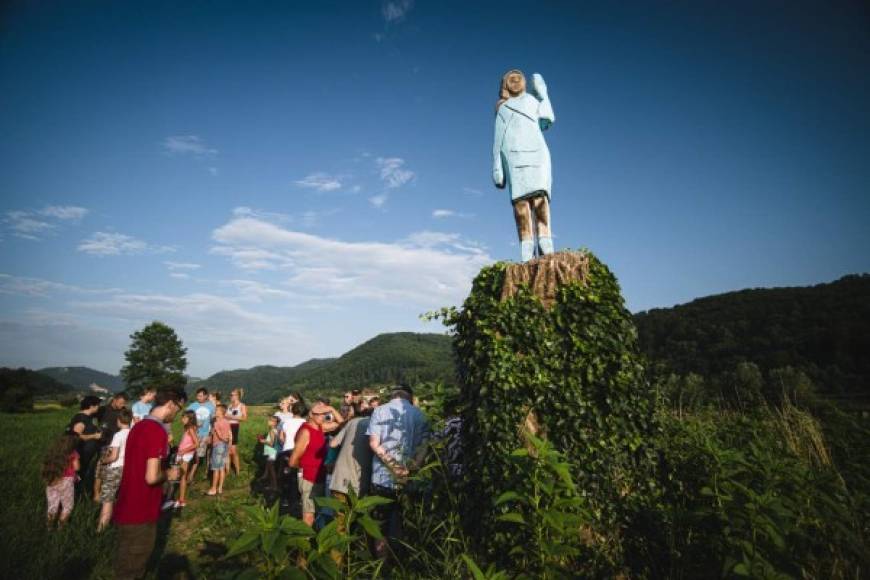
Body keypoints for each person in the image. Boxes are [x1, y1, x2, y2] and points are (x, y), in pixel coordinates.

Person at [113, 388, 185, 580]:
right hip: (141, 510)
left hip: (126, 504)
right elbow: (152, 477)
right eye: (177, 410)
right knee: (134, 568)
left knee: (124, 562)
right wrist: (169, 473)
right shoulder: (157, 431)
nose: (176, 415)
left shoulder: (138, 427)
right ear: (171, 404)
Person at [492, 69, 556, 262]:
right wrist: (496, 164)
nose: (515, 80)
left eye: (518, 77)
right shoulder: (503, 109)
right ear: (505, 84)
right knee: (520, 205)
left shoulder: (532, 101)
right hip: (514, 158)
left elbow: (547, 120)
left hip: (537, 154)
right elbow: (498, 139)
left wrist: (543, 93)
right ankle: (526, 244)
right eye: (510, 78)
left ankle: (545, 239)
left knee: (540, 199)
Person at [367, 385, 430, 557]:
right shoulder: (419, 414)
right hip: (409, 478)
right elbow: (424, 446)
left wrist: (394, 466)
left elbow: (374, 443)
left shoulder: (379, 411)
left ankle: (382, 564)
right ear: (409, 397)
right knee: (404, 520)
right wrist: (410, 468)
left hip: (382, 477)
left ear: (392, 396)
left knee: (381, 523)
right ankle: (403, 562)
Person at [288, 401, 343, 527]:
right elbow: (293, 460)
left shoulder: (320, 427)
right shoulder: (305, 432)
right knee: (308, 514)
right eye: (320, 414)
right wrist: (304, 470)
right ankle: (304, 543)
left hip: (319, 476)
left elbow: (342, 423)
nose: (323, 416)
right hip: (309, 477)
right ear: (311, 415)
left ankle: (311, 538)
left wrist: (331, 408)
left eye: (325, 414)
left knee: (316, 510)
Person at [97, 408, 132, 531]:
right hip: (127, 468)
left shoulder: (118, 435)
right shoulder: (133, 432)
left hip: (115, 468)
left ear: (119, 420)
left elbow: (114, 456)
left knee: (108, 500)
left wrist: (103, 461)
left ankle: (101, 530)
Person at [94, 392, 129, 501]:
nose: (122, 405)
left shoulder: (122, 412)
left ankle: (112, 495)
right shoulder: (103, 410)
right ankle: (96, 494)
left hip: (117, 445)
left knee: (114, 471)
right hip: (104, 444)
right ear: (114, 399)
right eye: (120, 402)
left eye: (124, 403)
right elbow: (91, 417)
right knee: (100, 471)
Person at [42, 433, 79, 528]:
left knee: (52, 506)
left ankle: (49, 527)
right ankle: (61, 528)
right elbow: (77, 467)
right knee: (67, 506)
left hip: (52, 480)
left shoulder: (53, 452)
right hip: (66, 482)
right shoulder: (73, 453)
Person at [67, 395, 102, 495]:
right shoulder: (81, 418)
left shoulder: (87, 417)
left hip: (85, 453)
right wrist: (95, 436)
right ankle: (71, 497)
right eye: (97, 405)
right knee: (76, 475)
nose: (98, 407)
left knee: (80, 474)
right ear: (91, 406)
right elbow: (76, 436)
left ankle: (75, 495)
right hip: (80, 453)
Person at [278, 400, 307, 515]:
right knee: (299, 476)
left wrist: (287, 443)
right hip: (301, 452)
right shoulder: (305, 422)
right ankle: (298, 501)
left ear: (292, 410)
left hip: (287, 451)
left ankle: (285, 500)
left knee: (286, 476)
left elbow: (281, 437)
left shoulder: (286, 422)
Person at [185, 387, 215, 483]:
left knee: (198, 456)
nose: (198, 397)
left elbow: (213, 422)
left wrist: (210, 435)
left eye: (200, 396)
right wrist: (193, 423)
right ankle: (184, 474)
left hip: (204, 435)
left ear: (206, 396)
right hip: (193, 434)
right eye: (197, 396)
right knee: (189, 455)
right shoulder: (193, 405)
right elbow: (185, 417)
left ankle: (190, 476)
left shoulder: (211, 406)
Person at [174, 410, 198, 508]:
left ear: (190, 419)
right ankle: (179, 498)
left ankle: (181, 500)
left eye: (184, 417)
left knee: (182, 477)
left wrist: (184, 451)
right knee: (179, 476)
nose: (182, 419)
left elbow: (196, 443)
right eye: (182, 417)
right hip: (182, 454)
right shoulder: (187, 428)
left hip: (185, 455)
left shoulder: (191, 429)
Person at [208, 404, 232, 496]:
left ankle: (213, 488)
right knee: (222, 468)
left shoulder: (216, 423)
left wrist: (216, 432)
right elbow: (229, 434)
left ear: (221, 412)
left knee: (216, 469)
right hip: (225, 446)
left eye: (217, 410)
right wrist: (228, 443)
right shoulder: (227, 422)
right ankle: (220, 488)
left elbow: (220, 435)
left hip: (218, 445)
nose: (215, 411)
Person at [227, 388, 248, 476]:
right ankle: (227, 471)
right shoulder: (229, 405)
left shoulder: (242, 406)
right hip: (227, 426)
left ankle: (237, 471)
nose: (231, 396)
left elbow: (244, 418)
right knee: (227, 450)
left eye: (232, 395)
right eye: (230, 395)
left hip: (234, 427)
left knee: (233, 450)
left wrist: (231, 417)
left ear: (237, 396)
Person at [258, 415, 280, 490]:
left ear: (275, 423)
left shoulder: (272, 431)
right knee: (271, 469)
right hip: (273, 452)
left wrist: (262, 441)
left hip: (272, 453)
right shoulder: (275, 430)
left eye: (270, 420)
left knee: (271, 470)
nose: (268, 421)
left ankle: (274, 486)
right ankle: (272, 485)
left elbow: (272, 443)